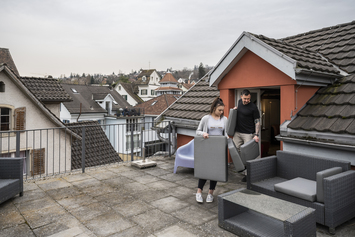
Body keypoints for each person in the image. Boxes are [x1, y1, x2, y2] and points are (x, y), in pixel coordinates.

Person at [195, 97, 228, 203]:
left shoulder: (225, 119)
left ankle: (210, 194)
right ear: (214, 108)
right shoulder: (206, 118)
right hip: (207, 149)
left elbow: (225, 133)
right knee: (205, 170)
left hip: (219, 149)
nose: (221, 112)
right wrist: (203, 133)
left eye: (223, 110)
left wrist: (227, 138)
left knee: (215, 172)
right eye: (220, 110)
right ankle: (199, 192)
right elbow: (198, 131)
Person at [233, 89, 260, 182]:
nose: (246, 100)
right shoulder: (239, 102)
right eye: (245, 98)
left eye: (248, 99)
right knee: (235, 149)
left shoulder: (253, 107)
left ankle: (248, 174)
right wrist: (236, 109)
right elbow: (240, 111)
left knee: (248, 154)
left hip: (248, 134)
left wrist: (256, 134)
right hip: (237, 133)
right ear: (241, 97)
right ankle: (242, 168)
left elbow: (257, 121)